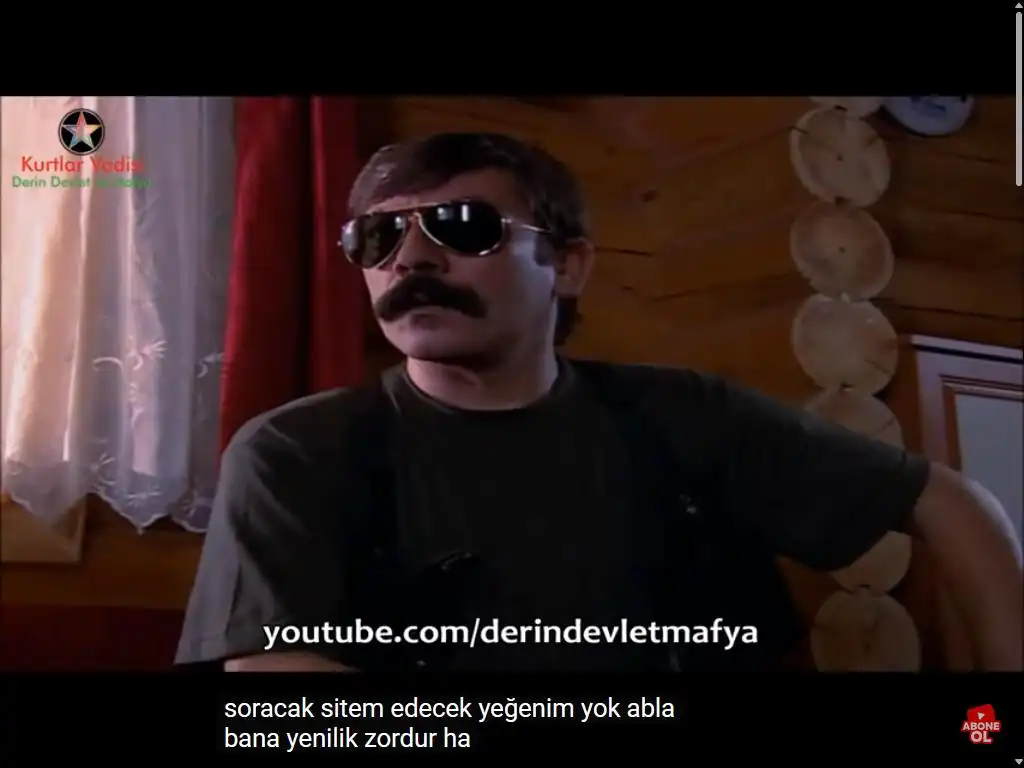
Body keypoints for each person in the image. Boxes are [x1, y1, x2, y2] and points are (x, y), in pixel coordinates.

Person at [175, 132, 1022, 673]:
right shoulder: (298, 453)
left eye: (463, 226)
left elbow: (953, 501)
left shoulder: (689, 419)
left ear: (569, 266)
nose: (411, 259)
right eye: (379, 236)